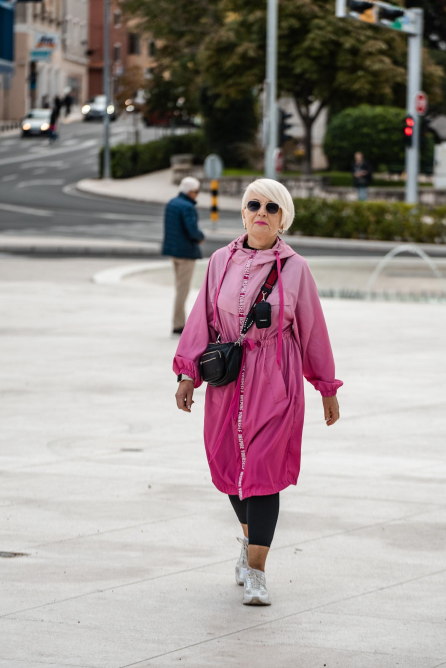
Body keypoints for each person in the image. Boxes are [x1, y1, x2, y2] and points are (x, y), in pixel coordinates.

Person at [172, 178, 342, 607]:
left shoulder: (296, 269)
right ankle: (250, 545)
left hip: (276, 382)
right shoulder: (219, 262)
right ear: (244, 214)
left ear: (283, 219)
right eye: (254, 205)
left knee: (263, 473)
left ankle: (257, 572)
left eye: (271, 207)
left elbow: (313, 330)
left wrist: (326, 386)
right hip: (228, 382)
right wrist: (187, 374)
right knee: (230, 469)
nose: (261, 213)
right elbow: (201, 320)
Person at [162, 176, 206, 334]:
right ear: (190, 192)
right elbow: (192, 230)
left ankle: (179, 322)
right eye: (196, 191)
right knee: (183, 290)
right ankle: (178, 324)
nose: (197, 194)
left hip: (173, 252)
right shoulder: (187, 207)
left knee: (179, 287)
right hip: (186, 253)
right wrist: (201, 237)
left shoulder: (172, 203)